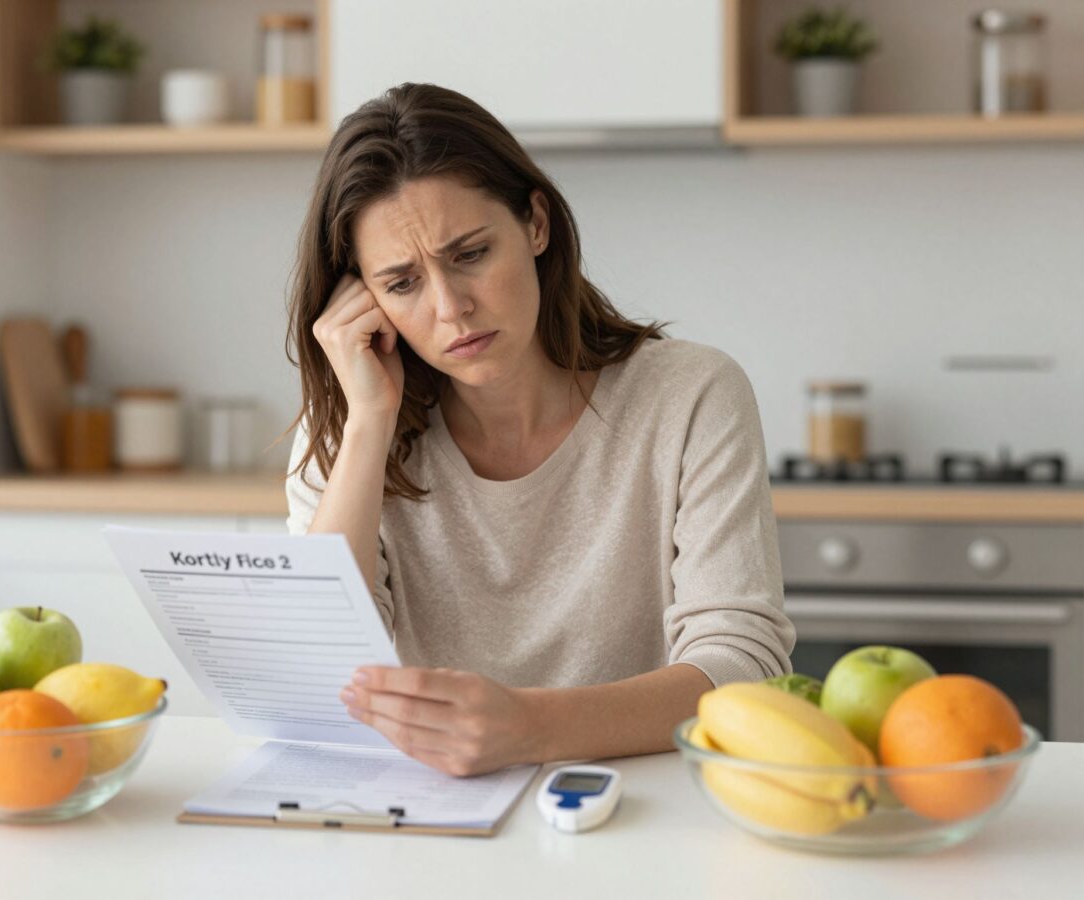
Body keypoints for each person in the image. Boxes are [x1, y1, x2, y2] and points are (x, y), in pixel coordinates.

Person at [284, 83, 795, 777]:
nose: (451, 308)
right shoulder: (347, 427)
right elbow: (322, 673)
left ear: (536, 224)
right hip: (435, 811)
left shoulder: (691, 395)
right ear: (364, 301)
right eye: (402, 284)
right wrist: (370, 425)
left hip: (643, 803)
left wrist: (530, 728)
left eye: (470, 254)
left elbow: (743, 668)